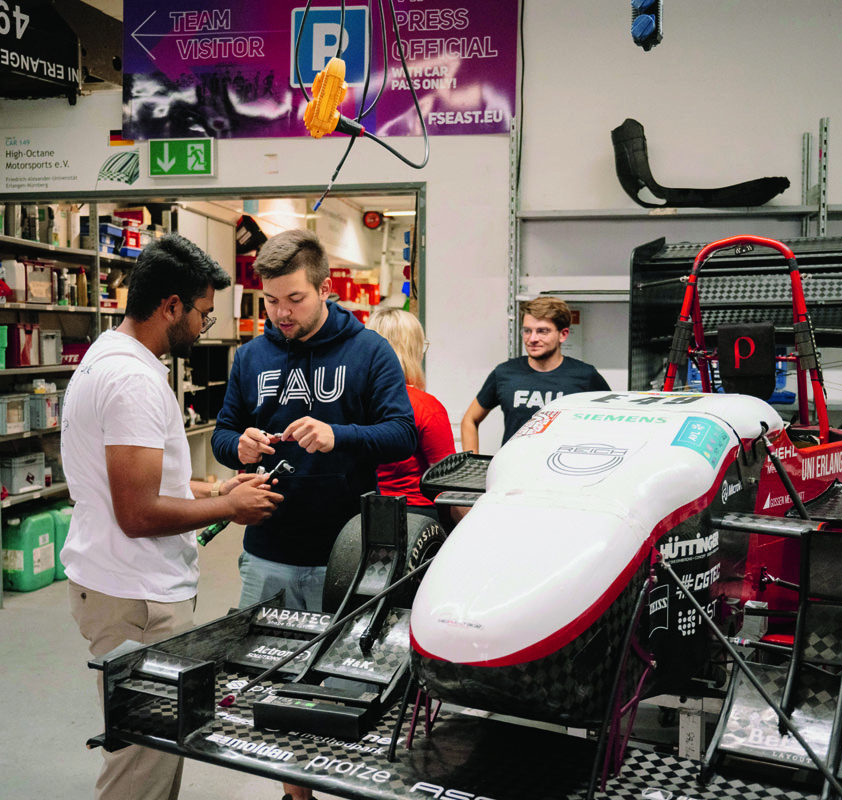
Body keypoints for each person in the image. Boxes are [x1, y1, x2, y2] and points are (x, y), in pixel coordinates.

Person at [60, 233, 282, 800]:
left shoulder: (106, 356)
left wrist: (215, 486)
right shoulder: (133, 381)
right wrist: (229, 506)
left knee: (146, 750)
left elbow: (143, 482)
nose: (203, 328)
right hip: (134, 595)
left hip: (113, 580)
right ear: (171, 306)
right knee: (142, 762)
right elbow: (136, 512)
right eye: (203, 315)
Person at [212, 229, 416, 800]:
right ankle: (294, 795)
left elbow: (401, 433)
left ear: (325, 288)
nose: (280, 313)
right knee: (268, 685)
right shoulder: (252, 355)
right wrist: (240, 447)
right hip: (269, 554)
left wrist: (338, 434)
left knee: (344, 686)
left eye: (294, 299)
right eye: (270, 300)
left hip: (345, 557)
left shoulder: (368, 351)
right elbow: (223, 434)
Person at [461, 297, 611, 452]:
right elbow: (470, 420)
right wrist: (473, 464)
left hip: (564, 470)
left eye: (542, 331)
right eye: (527, 331)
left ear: (563, 334)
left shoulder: (585, 375)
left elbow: (613, 425)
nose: (532, 339)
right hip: (513, 470)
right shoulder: (504, 373)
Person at [366, 307, 458, 522]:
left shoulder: (352, 402)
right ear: (413, 350)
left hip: (364, 514)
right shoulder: (425, 407)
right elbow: (447, 484)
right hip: (416, 517)